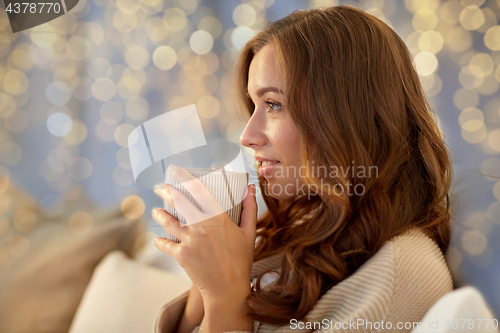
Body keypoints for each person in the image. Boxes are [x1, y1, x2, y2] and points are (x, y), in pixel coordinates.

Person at [151, 5, 454, 333]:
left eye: (273, 104)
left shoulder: (400, 274)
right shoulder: (303, 224)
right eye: (254, 105)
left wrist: (226, 297)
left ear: (347, 114)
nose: (247, 136)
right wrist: (209, 272)